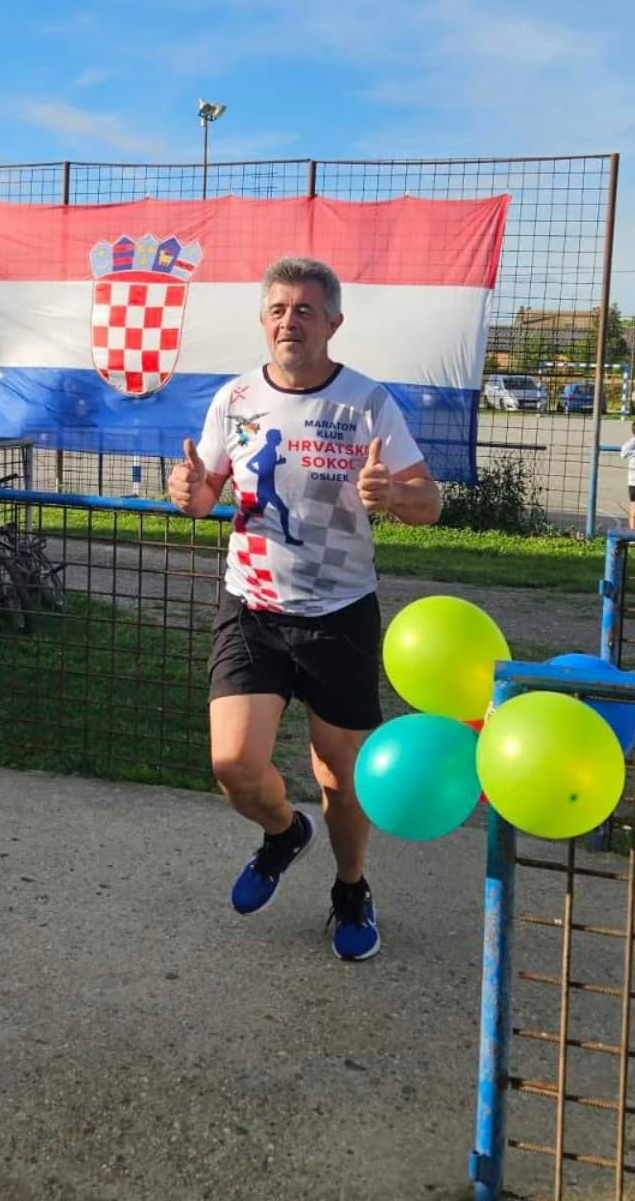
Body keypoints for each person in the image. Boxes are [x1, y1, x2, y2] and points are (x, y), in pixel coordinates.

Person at [167, 256, 441, 962]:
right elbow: (206, 493)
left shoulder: (366, 402)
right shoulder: (233, 399)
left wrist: (394, 496)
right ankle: (285, 833)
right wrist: (189, 492)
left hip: (339, 613)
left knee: (339, 778)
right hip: (251, 607)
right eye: (279, 309)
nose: (290, 321)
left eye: (306, 310)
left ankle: (350, 889)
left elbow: (430, 503)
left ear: (333, 323)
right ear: (264, 321)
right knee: (233, 763)